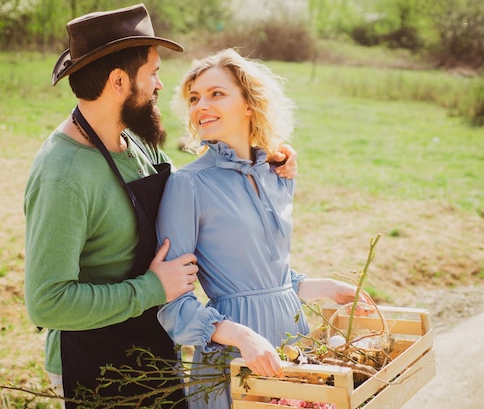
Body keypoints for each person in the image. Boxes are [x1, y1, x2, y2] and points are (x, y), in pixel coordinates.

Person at [23, 5, 297, 408]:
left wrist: (265, 157)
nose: (158, 85)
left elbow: (202, 189)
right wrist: (152, 288)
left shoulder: (129, 141)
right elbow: (47, 302)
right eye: (152, 73)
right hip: (96, 364)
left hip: (152, 349)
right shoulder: (64, 173)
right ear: (119, 81)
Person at [156, 49, 372, 409]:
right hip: (234, 359)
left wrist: (327, 288)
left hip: (293, 344)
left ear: (249, 104)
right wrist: (242, 337)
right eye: (194, 98)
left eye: (216, 93)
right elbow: (173, 303)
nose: (200, 106)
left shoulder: (277, 174)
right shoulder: (188, 185)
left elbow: (270, 278)